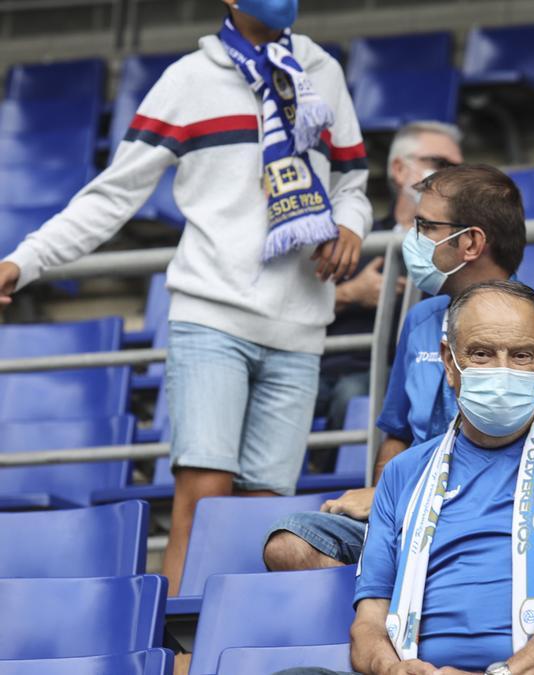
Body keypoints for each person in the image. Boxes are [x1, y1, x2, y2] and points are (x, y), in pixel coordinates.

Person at [0, 0, 369, 595]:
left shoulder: (321, 70)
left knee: (264, 518)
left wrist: (350, 224)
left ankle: (242, 648)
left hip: (300, 327)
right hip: (210, 319)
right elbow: (110, 197)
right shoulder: (188, 80)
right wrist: (24, 261)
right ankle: (177, 654)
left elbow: (352, 181)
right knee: (201, 502)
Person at [284, 280, 534, 675]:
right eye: (481, 354)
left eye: (522, 356)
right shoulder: (405, 472)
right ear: (448, 362)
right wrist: (392, 669)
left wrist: (505, 674)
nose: (502, 371)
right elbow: (370, 621)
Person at [264, 164, 534, 571]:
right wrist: (385, 496)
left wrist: (414, 495)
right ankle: (380, 619)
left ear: (471, 242)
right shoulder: (422, 320)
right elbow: (398, 433)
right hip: (410, 515)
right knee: (290, 546)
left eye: (425, 226)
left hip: (504, 516)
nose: (412, 238)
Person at [317, 121, 463, 431]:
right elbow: (292, 306)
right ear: (398, 169)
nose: (451, 174)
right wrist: (350, 293)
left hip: (386, 374)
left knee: (353, 396)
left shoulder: (458, 246)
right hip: (319, 364)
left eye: (457, 167)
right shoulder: (352, 234)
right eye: (438, 163)